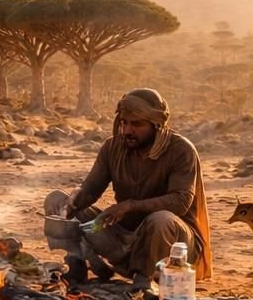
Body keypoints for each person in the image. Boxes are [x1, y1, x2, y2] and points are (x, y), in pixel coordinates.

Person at [45, 88, 212, 289]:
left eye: (136, 124)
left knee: (161, 219)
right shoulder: (112, 147)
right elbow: (91, 190)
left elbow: (181, 202)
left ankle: (143, 282)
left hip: (173, 247)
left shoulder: (181, 150)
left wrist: (130, 206)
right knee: (57, 199)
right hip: (122, 237)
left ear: (156, 125)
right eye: (124, 123)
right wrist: (74, 201)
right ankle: (77, 265)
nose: (127, 130)